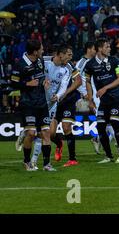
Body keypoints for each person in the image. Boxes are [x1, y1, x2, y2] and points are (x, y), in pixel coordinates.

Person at [10, 39, 55, 171]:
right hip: (28, 103)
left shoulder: (40, 61)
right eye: (41, 49)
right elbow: (13, 83)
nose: (43, 51)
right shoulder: (20, 64)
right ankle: (27, 162)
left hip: (42, 103)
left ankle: (47, 164)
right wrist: (27, 84)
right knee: (31, 133)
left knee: (46, 133)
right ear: (35, 52)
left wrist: (44, 82)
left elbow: (40, 77)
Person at [84, 38, 119, 164]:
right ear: (99, 48)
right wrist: (90, 99)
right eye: (107, 46)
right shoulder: (90, 64)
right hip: (104, 101)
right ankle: (109, 156)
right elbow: (87, 81)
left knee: (115, 123)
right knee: (100, 127)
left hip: (118, 98)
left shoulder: (115, 60)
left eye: (109, 46)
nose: (110, 49)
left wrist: (105, 88)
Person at [44, 44, 82, 168]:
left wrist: (65, 93)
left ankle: (72, 159)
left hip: (67, 101)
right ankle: (59, 143)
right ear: (58, 55)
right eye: (68, 55)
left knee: (66, 127)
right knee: (51, 133)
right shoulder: (48, 64)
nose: (70, 57)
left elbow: (78, 81)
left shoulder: (70, 67)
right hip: (54, 102)